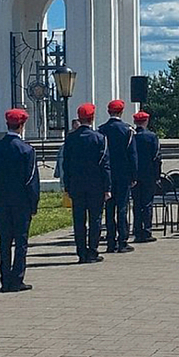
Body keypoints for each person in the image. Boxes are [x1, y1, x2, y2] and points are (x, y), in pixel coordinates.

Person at [0, 108, 40, 291]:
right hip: (21, 203)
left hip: (2, 202)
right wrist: (33, 203)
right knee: (21, 241)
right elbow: (31, 180)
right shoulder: (27, 150)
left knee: (4, 242)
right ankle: (17, 279)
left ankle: (4, 279)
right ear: (22, 125)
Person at [62, 103, 110, 263]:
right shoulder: (99, 138)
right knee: (95, 219)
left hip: (76, 185)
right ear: (92, 118)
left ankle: (81, 252)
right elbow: (104, 165)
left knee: (79, 220)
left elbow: (66, 164)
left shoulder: (71, 139)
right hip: (96, 186)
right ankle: (93, 251)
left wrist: (67, 186)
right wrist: (107, 187)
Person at [99, 99, 136, 254]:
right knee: (122, 208)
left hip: (106, 175)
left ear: (109, 112)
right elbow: (132, 155)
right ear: (121, 112)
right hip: (123, 175)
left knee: (109, 208)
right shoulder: (127, 130)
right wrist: (133, 175)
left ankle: (110, 241)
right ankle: (122, 241)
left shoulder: (101, 130)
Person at [131, 111, 161, 243]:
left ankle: (137, 231)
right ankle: (147, 231)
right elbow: (156, 157)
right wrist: (157, 175)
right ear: (146, 121)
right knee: (147, 203)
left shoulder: (131, 136)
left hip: (135, 174)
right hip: (149, 174)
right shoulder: (151, 136)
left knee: (136, 204)